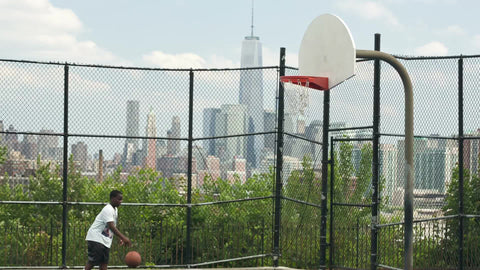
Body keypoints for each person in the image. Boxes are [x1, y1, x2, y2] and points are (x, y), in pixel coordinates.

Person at [84, 190, 132, 270]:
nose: (121, 201)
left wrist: (120, 238)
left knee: (104, 263)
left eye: (121, 199)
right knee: (92, 261)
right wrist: (123, 237)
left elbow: (113, 226)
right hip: (96, 238)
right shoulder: (108, 209)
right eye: (119, 199)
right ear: (112, 198)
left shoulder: (115, 210)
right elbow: (111, 226)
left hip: (104, 240)